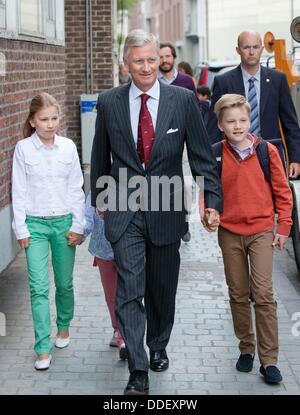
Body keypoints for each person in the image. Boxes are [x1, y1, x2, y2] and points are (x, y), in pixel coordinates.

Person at [90, 29, 222, 395]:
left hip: (166, 210)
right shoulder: (110, 101)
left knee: (162, 289)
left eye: (151, 59)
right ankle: (138, 368)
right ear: (126, 64)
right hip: (124, 210)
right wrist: (100, 201)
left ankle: (158, 342)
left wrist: (211, 199)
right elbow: (100, 154)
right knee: (129, 290)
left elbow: (200, 156)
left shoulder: (181, 100)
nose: (147, 67)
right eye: (139, 61)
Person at [214, 93, 292, 384]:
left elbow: (283, 192)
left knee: (263, 294)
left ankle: (269, 359)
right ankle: (246, 348)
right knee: (238, 293)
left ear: (250, 121)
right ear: (221, 125)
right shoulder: (216, 153)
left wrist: (283, 227)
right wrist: (209, 213)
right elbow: (209, 191)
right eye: (230, 121)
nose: (237, 126)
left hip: (261, 231)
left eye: (243, 120)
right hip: (230, 232)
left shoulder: (267, 151)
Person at [11, 92, 85, 370]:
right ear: (32, 121)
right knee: (38, 287)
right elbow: (17, 190)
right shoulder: (23, 149)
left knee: (64, 283)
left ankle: (63, 327)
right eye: (44, 119)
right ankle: (42, 347)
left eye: (54, 118)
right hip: (35, 225)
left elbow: (76, 188)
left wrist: (78, 225)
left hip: (64, 224)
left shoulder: (67, 147)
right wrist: (21, 228)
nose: (50, 124)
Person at [207, 30, 300, 179]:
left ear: (262, 49)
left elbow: (290, 124)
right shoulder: (223, 82)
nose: (251, 52)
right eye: (246, 47)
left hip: (270, 156)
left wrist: (295, 158)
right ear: (238, 50)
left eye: (256, 47)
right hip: (234, 157)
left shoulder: (278, 80)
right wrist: (213, 161)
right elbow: (213, 126)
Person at [159, 43, 201, 243]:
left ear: (174, 57)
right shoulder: (153, 82)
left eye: (168, 56)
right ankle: (169, 218)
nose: (164, 60)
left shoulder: (185, 81)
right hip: (160, 140)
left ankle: (183, 221)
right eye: (161, 57)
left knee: (185, 182)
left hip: (182, 138)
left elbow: (196, 109)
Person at [84, 192, 127, 360]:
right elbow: (88, 215)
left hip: (130, 248)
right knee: (111, 296)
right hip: (104, 248)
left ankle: (124, 335)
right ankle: (118, 330)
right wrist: (79, 234)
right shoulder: (98, 184)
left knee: (128, 293)